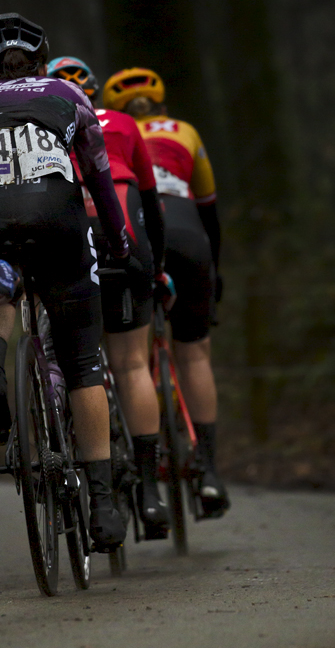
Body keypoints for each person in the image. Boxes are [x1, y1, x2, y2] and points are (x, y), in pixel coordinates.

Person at [0, 14, 138, 550]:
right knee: (84, 364)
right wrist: (118, 243)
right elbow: (100, 181)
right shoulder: (67, 93)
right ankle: (104, 504)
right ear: (41, 60)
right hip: (59, 219)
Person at [47, 56, 171, 538]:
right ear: (93, 93)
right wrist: (156, 269)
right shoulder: (121, 123)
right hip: (123, 242)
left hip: (72, 242)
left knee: (79, 365)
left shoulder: (39, 124)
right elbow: (150, 197)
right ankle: (150, 492)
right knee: (133, 366)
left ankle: (85, 475)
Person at [102, 68, 231, 517]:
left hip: (136, 232)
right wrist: (214, 273)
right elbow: (209, 208)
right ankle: (210, 471)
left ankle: (138, 469)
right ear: (161, 103)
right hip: (189, 238)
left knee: (128, 358)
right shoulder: (186, 132)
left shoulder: (110, 130)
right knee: (194, 353)